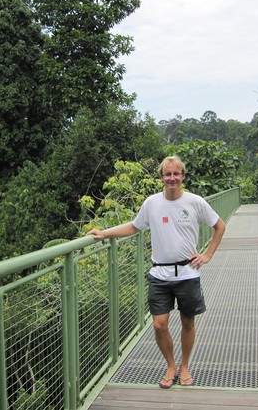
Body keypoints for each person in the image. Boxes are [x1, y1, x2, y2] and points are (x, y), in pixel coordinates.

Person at [88, 156, 226, 388]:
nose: (172, 178)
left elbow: (219, 226)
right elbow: (134, 226)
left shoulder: (195, 202)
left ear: (182, 176)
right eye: (167, 174)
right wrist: (105, 233)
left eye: (176, 174)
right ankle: (170, 365)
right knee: (159, 324)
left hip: (188, 272)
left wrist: (208, 255)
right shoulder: (152, 203)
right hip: (159, 274)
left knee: (187, 322)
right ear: (162, 177)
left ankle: (184, 366)